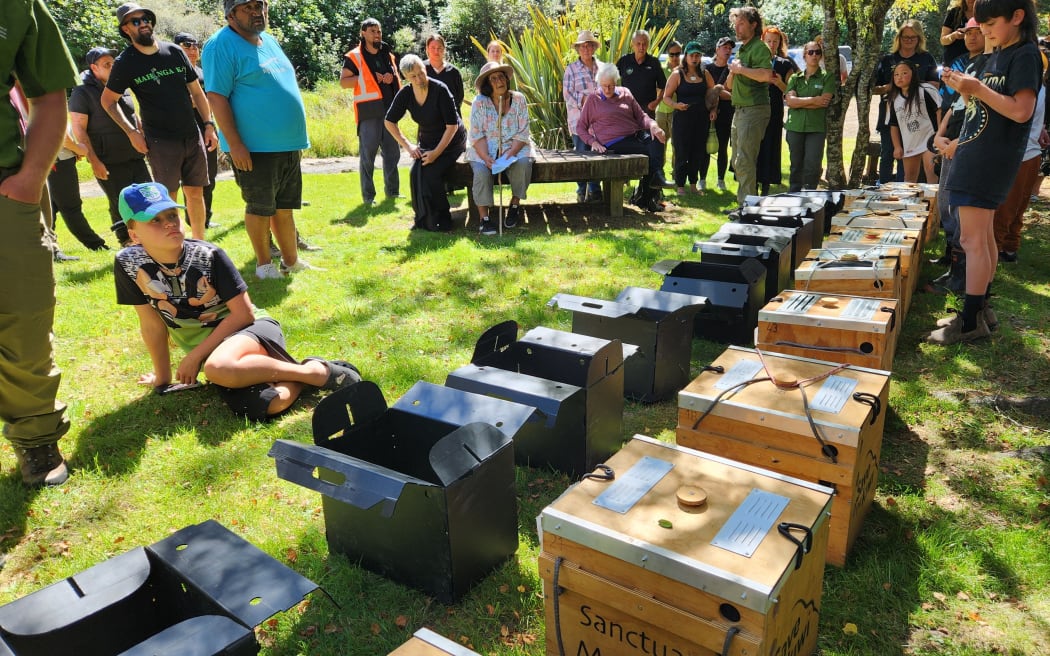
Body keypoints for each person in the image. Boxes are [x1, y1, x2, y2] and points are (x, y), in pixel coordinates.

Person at [114, 183, 361, 420]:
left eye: (171, 214)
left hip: (251, 330)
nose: (168, 223)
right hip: (217, 354)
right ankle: (297, 376)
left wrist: (194, 357)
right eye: (155, 220)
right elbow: (151, 324)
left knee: (218, 368)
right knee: (266, 404)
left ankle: (316, 373)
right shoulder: (127, 264)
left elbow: (244, 315)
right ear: (134, 234)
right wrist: (162, 378)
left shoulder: (207, 255)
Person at [930, 0, 1041, 345]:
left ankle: (969, 321)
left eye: (991, 23)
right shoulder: (999, 53)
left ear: (1017, 17)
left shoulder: (1024, 54)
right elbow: (982, 111)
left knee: (972, 240)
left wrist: (975, 88)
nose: (984, 29)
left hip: (988, 160)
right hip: (974, 154)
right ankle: (981, 309)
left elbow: (1022, 111)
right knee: (982, 238)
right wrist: (965, 87)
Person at [1, 0, 77, 486]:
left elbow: (50, 93)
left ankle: (36, 441)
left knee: (24, 321)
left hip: (6, 188)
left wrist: (30, 178)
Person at [203, 0, 315, 281]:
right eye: (247, 7)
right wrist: (235, 143)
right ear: (231, 14)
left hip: (287, 144)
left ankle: (291, 262)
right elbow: (216, 96)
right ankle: (265, 266)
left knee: (284, 208)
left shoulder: (268, 41)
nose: (257, 12)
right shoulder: (220, 45)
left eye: (260, 5)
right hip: (254, 148)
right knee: (260, 208)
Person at [102, 3, 218, 242]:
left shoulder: (174, 51)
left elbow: (197, 92)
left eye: (145, 18)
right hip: (160, 140)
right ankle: (175, 244)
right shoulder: (126, 62)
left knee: (196, 193)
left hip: (191, 134)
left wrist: (208, 124)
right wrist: (132, 132)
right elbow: (108, 101)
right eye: (135, 21)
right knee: (168, 197)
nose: (143, 23)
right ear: (125, 29)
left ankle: (199, 243)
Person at [69, 45, 152, 249]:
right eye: (107, 64)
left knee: (147, 195)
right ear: (94, 68)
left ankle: (150, 235)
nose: (112, 67)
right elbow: (79, 129)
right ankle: (125, 240)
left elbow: (134, 115)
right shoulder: (82, 92)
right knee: (120, 202)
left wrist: (142, 136)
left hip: (134, 155)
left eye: (113, 63)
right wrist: (94, 161)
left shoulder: (121, 86)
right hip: (108, 160)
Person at [931, 17, 988, 292]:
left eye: (977, 32)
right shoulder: (968, 64)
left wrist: (956, 141)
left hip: (964, 146)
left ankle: (959, 277)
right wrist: (939, 133)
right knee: (945, 205)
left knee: (957, 210)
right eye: (967, 33)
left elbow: (979, 112)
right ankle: (951, 262)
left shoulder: (990, 65)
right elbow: (955, 106)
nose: (971, 37)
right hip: (949, 143)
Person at [384, 54, 467, 232]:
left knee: (431, 173)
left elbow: (452, 126)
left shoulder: (440, 89)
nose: (419, 78)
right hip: (427, 141)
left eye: (421, 73)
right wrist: (408, 146)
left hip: (452, 141)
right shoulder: (406, 93)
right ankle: (422, 218)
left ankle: (443, 217)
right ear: (406, 77)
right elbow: (389, 122)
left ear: (425, 68)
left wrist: (436, 153)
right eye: (413, 76)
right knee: (415, 173)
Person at [576, 64, 668, 212]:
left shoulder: (625, 93)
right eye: (604, 86)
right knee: (649, 152)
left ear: (616, 82)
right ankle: (649, 193)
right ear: (599, 84)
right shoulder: (593, 99)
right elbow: (580, 127)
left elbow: (641, 116)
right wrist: (592, 142)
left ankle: (649, 190)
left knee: (656, 139)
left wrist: (653, 125)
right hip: (613, 142)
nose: (607, 90)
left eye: (611, 86)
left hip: (635, 135)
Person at [340, 18, 401, 206]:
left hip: (390, 111)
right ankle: (368, 197)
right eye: (373, 31)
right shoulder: (354, 56)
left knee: (392, 153)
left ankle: (393, 192)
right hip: (369, 113)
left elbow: (395, 79)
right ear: (363, 33)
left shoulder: (387, 55)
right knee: (368, 156)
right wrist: (367, 78)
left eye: (379, 31)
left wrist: (390, 78)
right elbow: (343, 82)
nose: (377, 34)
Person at [468, 61, 533, 235]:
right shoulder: (479, 102)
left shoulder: (519, 99)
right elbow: (476, 134)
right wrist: (486, 157)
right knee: (481, 172)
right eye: (494, 78)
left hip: (514, 147)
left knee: (524, 163)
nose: (499, 81)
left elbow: (523, 131)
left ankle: (514, 204)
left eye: (501, 77)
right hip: (484, 150)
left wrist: (509, 154)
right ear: (488, 85)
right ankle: (484, 218)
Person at [871, 21, 939, 184]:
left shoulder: (926, 58)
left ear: (919, 38)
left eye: (913, 37)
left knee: (913, 160)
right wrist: (891, 88)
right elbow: (873, 88)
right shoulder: (887, 59)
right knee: (888, 152)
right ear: (899, 38)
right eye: (905, 37)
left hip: (920, 118)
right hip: (893, 110)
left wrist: (913, 88)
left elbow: (936, 84)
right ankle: (885, 190)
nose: (909, 40)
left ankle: (910, 194)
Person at [727, 6, 773, 204]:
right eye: (735, 24)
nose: (737, 28)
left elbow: (766, 75)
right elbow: (729, 85)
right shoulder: (743, 50)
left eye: (742, 23)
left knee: (744, 161)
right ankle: (747, 205)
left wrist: (741, 69)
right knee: (738, 162)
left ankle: (746, 209)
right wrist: (734, 71)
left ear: (754, 25)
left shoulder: (759, 48)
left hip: (754, 110)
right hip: (739, 111)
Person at [174, 32, 218, 229]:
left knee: (210, 176)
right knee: (191, 182)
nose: (192, 49)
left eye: (195, 45)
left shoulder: (202, 72)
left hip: (207, 127)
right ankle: (190, 221)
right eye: (187, 45)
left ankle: (204, 219)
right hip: (185, 132)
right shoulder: (173, 73)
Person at [662, 41, 717, 195]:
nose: (694, 58)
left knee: (697, 151)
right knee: (681, 152)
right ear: (685, 56)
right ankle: (680, 186)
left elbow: (712, 94)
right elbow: (666, 97)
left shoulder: (705, 73)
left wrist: (713, 109)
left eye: (698, 55)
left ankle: (693, 185)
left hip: (701, 118)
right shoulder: (677, 74)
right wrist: (676, 105)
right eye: (692, 55)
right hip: (682, 119)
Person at [617, 30, 668, 191]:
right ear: (632, 44)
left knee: (650, 146)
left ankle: (648, 186)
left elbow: (664, 86)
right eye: (638, 43)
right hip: (626, 116)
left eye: (644, 43)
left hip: (647, 115)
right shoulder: (624, 62)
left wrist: (656, 102)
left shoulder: (653, 63)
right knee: (625, 148)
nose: (641, 47)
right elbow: (611, 83)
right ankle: (623, 180)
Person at [48, 122, 109, 252]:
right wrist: (78, 148)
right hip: (58, 162)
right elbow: (61, 136)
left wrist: (74, 150)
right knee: (70, 207)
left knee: (50, 208)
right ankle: (96, 245)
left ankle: (49, 250)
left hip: (55, 160)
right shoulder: (48, 101)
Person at [784, 42, 835, 192]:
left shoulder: (827, 77)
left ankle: (810, 194)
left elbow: (824, 102)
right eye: (811, 52)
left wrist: (800, 102)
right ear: (804, 55)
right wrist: (814, 100)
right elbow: (790, 102)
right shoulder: (795, 78)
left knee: (812, 164)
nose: (814, 55)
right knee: (795, 164)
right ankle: (794, 194)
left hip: (816, 128)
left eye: (817, 52)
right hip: (795, 127)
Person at [755, 26, 798, 195]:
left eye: (775, 41)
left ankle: (765, 187)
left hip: (774, 110)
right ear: (762, 41)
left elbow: (791, 91)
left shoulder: (785, 63)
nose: (772, 45)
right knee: (755, 146)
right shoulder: (756, 61)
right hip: (756, 107)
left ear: (780, 43)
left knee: (770, 146)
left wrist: (779, 83)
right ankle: (752, 186)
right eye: (768, 41)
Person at [563, 30, 602, 203]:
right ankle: (581, 190)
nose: (586, 49)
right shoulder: (571, 69)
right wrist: (585, 99)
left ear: (594, 48)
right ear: (578, 49)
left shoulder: (602, 68)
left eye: (589, 45)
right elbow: (567, 94)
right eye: (582, 46)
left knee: (597, 155)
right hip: (578, 120)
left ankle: (595, 191)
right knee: (581, 155)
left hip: (599, 121)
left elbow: (610, 89)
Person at [887, 61, 941, 182]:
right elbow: (893, 125)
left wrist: (939, 134)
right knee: (909, 177)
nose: (900, 77)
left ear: (914, 73)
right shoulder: (894, 99)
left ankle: (933, 200)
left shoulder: (926, 89)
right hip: (910, 142)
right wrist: (897, 147)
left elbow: (939, 110)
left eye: (904, 73)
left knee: (932, 172)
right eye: (896, 74)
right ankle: (910, 201)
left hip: (930, 139)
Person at [706, 36, 736, 192]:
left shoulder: (733, 70)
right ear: (717, 49)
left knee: (723, 146)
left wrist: (719, 91)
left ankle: (720, 179)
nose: (728, 50)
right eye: (724, 47)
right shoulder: (707, 68)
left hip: (726, 113)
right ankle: (702, 180)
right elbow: (709, 92)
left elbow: (730, 91)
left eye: (730, 48)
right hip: (708, 113)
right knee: (705, 145)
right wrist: (721, 92)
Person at [655, 41, 681, 184]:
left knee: (676, 145)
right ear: (668, 54)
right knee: (660, 145)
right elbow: (657, 90)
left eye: (678, 54)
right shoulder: (662, 69)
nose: (675, 57)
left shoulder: (684, 71)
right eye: (672, 54)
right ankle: (660, 174)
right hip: (661, 112)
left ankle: (676, 174)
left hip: (676, 112)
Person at [425, 34, 465, 117]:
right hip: (428, 120)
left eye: (439, 48)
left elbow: (459, 97)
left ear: (444, 49)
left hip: (451, 118)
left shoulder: (453, 72)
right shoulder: (421, 70)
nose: (436, 51)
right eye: (433, 48)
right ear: (427, 49)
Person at [941, 0, 978, 66]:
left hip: (978, 60)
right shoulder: (954, 13)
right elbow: (943, 40)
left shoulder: (985, 13)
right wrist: (954, 35)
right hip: (954, 62)